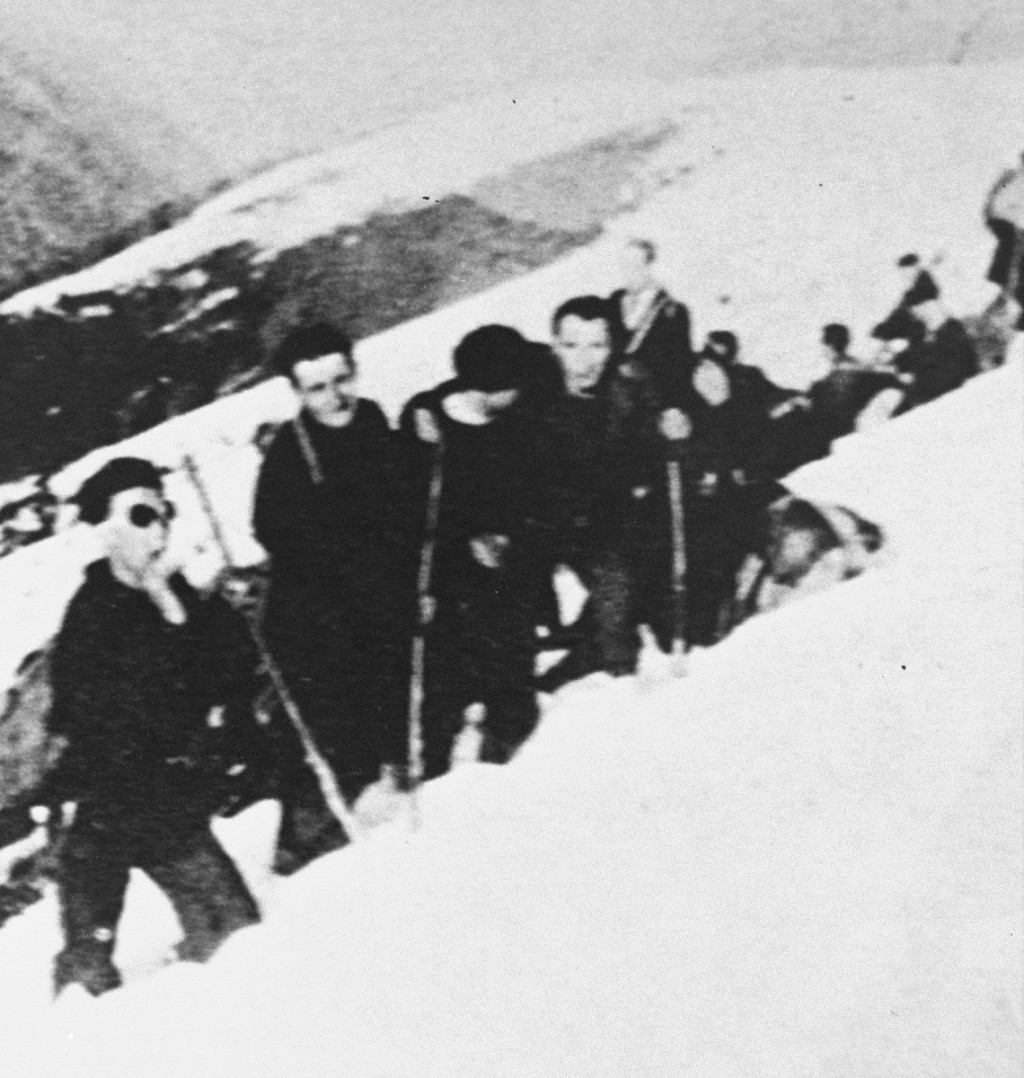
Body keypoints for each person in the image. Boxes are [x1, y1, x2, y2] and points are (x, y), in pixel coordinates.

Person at [47, 457, 261, 996]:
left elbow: (230, 672)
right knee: (86, 973)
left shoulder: (176, 592)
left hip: (168, 806)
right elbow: (120, 712)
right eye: (141, 514)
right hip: (109, 810)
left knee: (239, 937)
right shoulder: (91, 617)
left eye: (164, 511)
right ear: (106, 531)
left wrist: (215, 617)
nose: (160, 526)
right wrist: (170, 617)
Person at [253, 324, 411, 874]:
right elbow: (273, 531)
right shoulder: (288, 454)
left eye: (342, 379)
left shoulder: (370, 420)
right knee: (333, 725)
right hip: (314, 614)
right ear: (297, 393)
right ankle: (311, 839)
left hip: (376, 593)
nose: (335, 396)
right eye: (317, 388)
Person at [402, 326, 544, 778]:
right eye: (510, 388)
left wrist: (506, 538)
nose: (519, 394)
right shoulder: (428, 423)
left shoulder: (516, 424)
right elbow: (415, 509)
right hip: (446, 574)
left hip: (504, 572)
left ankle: (498, 752)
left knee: (511, 671)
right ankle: (431, 766)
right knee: (445, 674)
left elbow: (530, 497)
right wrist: (464, 541)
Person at [607, 238, 694, 405]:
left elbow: (680, 367)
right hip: (616, 401)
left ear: (650, 266)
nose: (627, 272)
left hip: (652, 402)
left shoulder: (673, 312)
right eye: (624, 265)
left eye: (635, 265)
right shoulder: (614, 301)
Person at [807, 323, 904, 444]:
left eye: (822, 343)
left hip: (854, 431)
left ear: (829, 346)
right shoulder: (859, 365)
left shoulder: (841, 373)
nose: (821, 349)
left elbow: (840, 407)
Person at [984, 151, 1024, 329]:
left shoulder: (1012, 175)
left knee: (1013, 263)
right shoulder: (1017, 179)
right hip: (1007, 223)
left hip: (1003, 222)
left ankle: (1007, 299)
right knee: (1014, 263)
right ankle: (1009, 299)